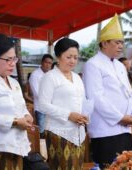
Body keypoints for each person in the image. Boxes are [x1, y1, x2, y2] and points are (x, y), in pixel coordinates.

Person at [83, 14, 132, 169]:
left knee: (126, 165)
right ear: (105, 43)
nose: (121, 46)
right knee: (109, 166)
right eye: (117, 42)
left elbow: (129, 91)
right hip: (105, 129)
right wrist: (120, 117)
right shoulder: (92, 64)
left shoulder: (120, 66)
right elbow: (96, 97)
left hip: (125, 126)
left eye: (122, 42)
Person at [0, 33, 33, 170]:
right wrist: (15, 122)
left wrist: (27, 115)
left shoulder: (13, 82)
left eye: (14, 59)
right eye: (8, 60)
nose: (12, 64)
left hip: (17, 145)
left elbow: (21, 106)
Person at [38, 38, 88, 169]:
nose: (73, 61)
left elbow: (81, 101)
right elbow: (42, 104)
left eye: (76, 57)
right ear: (58, 56)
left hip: (79, 133)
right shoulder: (50, 77)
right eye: (69, 57)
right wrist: (68, 115)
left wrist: (85, 116)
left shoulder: (77, 77)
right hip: (59, 133)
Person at [29, 54, 53, 137]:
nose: (48, 65)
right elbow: (37, 93)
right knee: (41, 131)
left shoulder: (50, 74)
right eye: (46, 62)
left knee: (49, 131)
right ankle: (42, 148)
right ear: (42, 62)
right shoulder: (35, 75)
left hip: (50, 108)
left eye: (50, 63)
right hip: (41, 108)